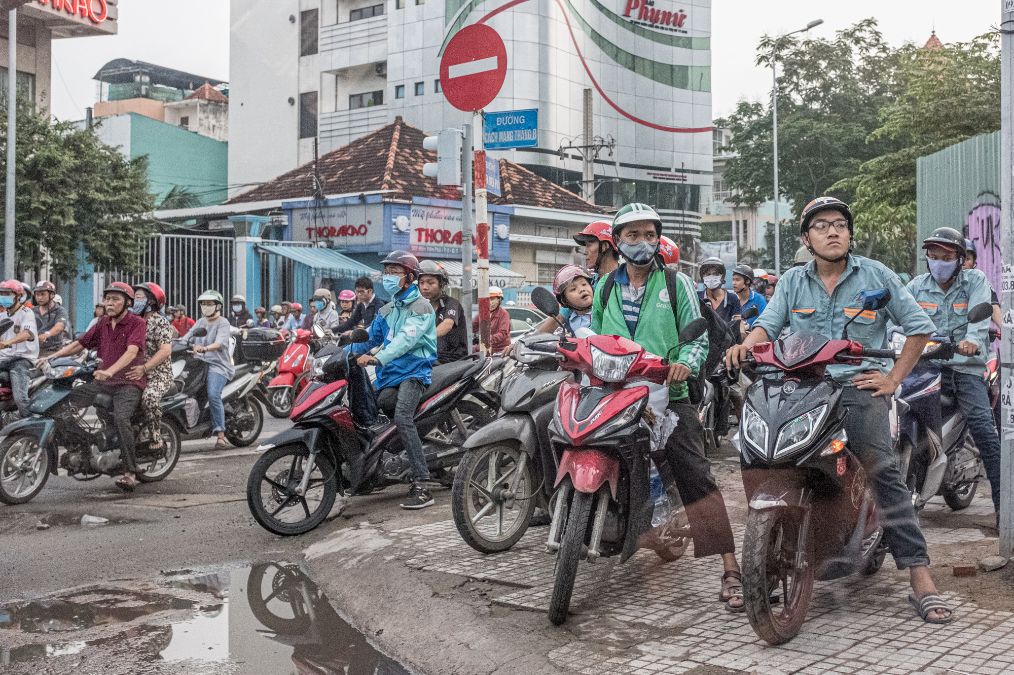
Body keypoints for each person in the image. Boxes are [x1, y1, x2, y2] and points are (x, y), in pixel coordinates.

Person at [727, 196, 952, 624]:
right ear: (806, 238)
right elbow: (767, 327)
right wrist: (744, 346)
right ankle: (771, 556)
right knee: (765, 456)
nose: (833, 231)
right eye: (822, 226)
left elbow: (919, 328)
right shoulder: (793, 281)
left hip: (856, 388)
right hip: (804, 387)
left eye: (840, 225)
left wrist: (892, 380)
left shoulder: (875, 274)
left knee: (882, 468)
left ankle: (920, 577)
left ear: (850, 233)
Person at [591, 202, 745, 611]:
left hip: (670, 398)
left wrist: (685, 364)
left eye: (649, 235)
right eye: (632, 235)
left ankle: (731, 568)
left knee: (696, 477)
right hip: (618, 397)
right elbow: (593, 339)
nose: (642, 243)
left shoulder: (676, 285)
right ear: (617, 241)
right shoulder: (604, 287)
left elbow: (695, 338)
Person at [907, 227, 1001, 518]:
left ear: (960, 259)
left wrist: (973, 340)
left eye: (946, 255)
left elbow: (980, 316)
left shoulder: (975, 281)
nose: (938, 260)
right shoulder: (915, 287)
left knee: (985, 431)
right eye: (933, 254)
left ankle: (1004, 511)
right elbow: (896, 319)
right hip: (925, 368)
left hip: (965, 369)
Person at [351, 251, 437, 510]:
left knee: (402, 417)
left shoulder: (421, 306)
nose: (388, 277)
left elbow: (406, 340)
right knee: (372, 410)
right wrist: (341, 344)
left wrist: (378, 358)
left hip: (414, 372)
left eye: (394, 272)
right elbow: (372, 336)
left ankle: (422, 482)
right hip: (391, 373)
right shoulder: (389, 308)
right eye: (386, 272)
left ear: (409, 277)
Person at [41, 282, 147, 491]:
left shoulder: (137, 323)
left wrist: (110, 370)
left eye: (116, 299)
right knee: (62, 403)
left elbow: (132, 352)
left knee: (121, 418)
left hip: (128, 383)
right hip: (102, 382)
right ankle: (84, 444)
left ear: (128, 303)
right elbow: (79, 344)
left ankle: (130, 472)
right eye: (108, 299)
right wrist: (51, 357)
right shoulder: (102, 322)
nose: (110, 303)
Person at [182, 290, 235, 449]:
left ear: (218, 306)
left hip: (218, 365)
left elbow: (219, 343)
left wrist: (205, 348)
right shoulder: (200, 322)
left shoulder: (223, 322)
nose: (205, 307)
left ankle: (220, 434)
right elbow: (187, 337)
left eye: (209, 304)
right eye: (203, 304)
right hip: (199, 363)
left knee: (213, 395)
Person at [128, 283, 174, 451]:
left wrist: (145, 368)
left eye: (139, 297)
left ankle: (156, 436)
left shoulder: (160, 322)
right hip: (135, 373)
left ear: (151, 302)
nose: (135, 301)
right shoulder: (134, 321)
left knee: (149, 398)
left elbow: (165, 350)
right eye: (135, 298)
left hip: (158, 374)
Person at [0, 280, 39, 417]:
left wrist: (6, 343)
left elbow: (27, 333)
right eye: (1, 293)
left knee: (20, 398)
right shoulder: (3, 314)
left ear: (17, 296)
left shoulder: (26, 313)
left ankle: (30, 424)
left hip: (22, 359)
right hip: (5, 358)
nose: (3, 296)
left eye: (7, 294)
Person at [417, 260, 467, 363]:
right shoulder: (422, 307)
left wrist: (421, 337)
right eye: (421, 283)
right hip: (431, 358)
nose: (425, 287)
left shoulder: (452, 303)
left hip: (452, 361)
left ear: (441, 284)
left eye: (431, 283)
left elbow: (447, 325)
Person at [532, 264, 595, 336]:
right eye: (573, 289)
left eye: (584, 284)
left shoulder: (601, 312)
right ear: (564, 300)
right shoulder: (568, 321)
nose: (582, 289)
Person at [964, 238, 1003, 329]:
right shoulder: (944, 281)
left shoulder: (981, 282)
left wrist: (1005, 329)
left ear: (974, 262)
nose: (964, 263)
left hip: (972, 335)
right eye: (961, 258)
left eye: (968, 259)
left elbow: (993, 307)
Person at [698, 257, 742, 323]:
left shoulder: (732, 299)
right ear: (702, 277)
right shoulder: (697, 297)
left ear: (722, 277)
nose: (711, 277)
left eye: (716, 274)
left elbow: (737, 324)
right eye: (708, 274)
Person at [32, 280, 69, 357]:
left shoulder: (60, 310)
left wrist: (47, 334)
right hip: (32, 350)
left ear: (52, 295)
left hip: (52, 351)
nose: (39, 297)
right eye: (37, 294)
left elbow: (59, 326)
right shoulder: (32, 311)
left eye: (43, 294)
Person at [472, 287, 511, 354]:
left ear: (499, 300)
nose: (490, 302)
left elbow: (503, 333)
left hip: (499, 350)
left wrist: (489, 338)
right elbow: (472, 326)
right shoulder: (482, 313)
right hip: (484, 347)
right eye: (488, 299)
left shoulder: (504, 314)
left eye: (492, 299)